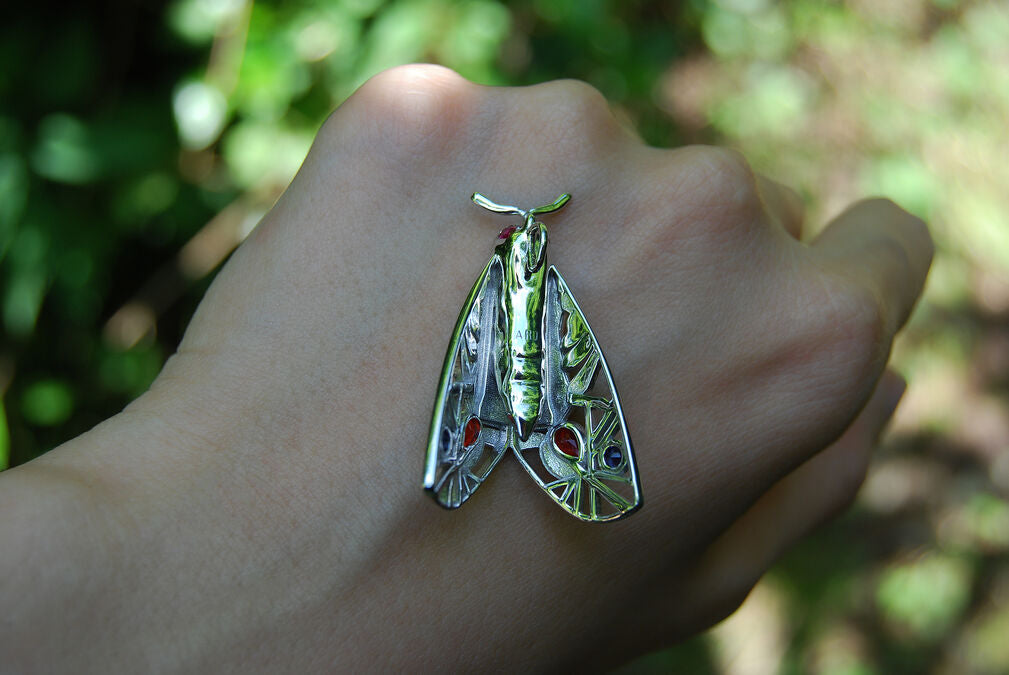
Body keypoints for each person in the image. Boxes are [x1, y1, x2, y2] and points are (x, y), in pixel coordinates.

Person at [0, 65, 932, 671]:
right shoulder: (516, 279)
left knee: (504, 388)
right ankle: (504, 445)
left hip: (522, 372)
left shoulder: (518, 277)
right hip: (541, 376)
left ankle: (497, 444)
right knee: (525, 391)